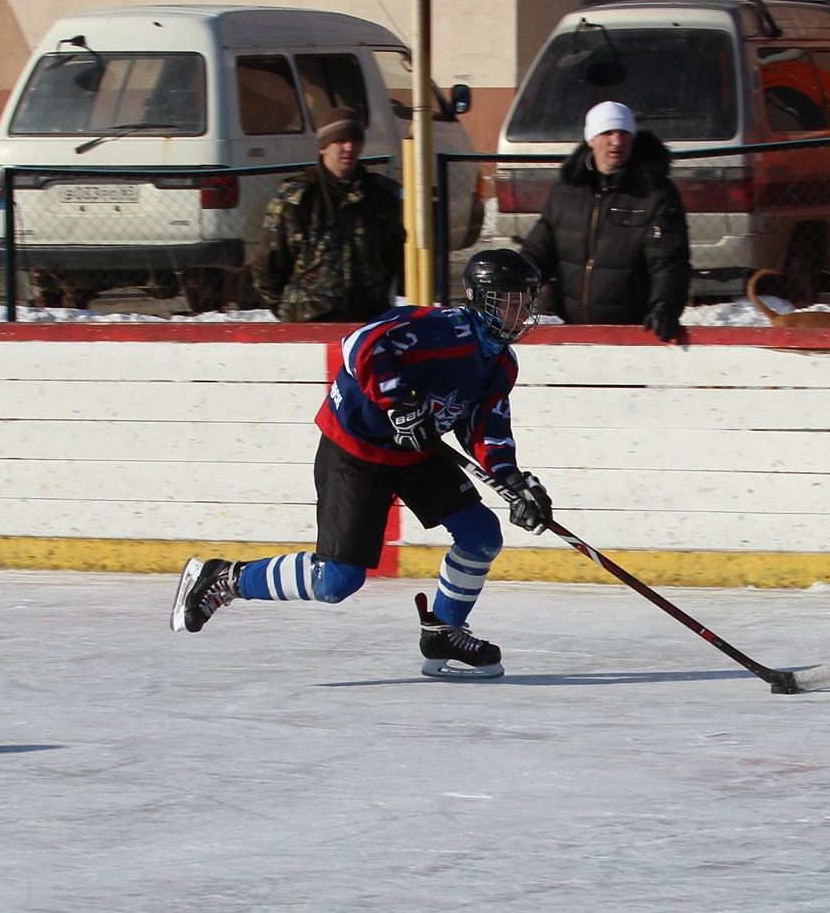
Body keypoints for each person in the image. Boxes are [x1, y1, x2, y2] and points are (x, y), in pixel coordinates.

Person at [170, 248, 554, 680]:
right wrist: (400, 403)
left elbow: (486, 428)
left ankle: (444, 631)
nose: (520, 313)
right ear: (479, 298)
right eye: (509, 300)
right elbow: (360, 345)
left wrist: (514, 480)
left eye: (526, 302)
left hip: (416, 452)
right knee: (336, 582)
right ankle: (223, 578)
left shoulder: (501, 363)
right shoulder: (437, 330)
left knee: (481, 535)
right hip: (356, 452)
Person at [520, 100, 689, 342]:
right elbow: (537, 253)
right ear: (591, 139)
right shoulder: (566, 193)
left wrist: (666, 305)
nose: (616, 141)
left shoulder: (655, 193)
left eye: (623, 133)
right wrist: (507, 286)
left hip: (632, 335)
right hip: (573, 332)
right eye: (607, 132)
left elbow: (669, 260)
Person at [253, 116, 406, 323]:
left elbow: (393, 256)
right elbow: (268, 266)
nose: (349, 148)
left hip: (367, 319)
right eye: (341, 141)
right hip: (309, 322)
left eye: (355, 141)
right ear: (324, 147)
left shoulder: (381, 195)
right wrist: (290, 310)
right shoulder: (295, 197)